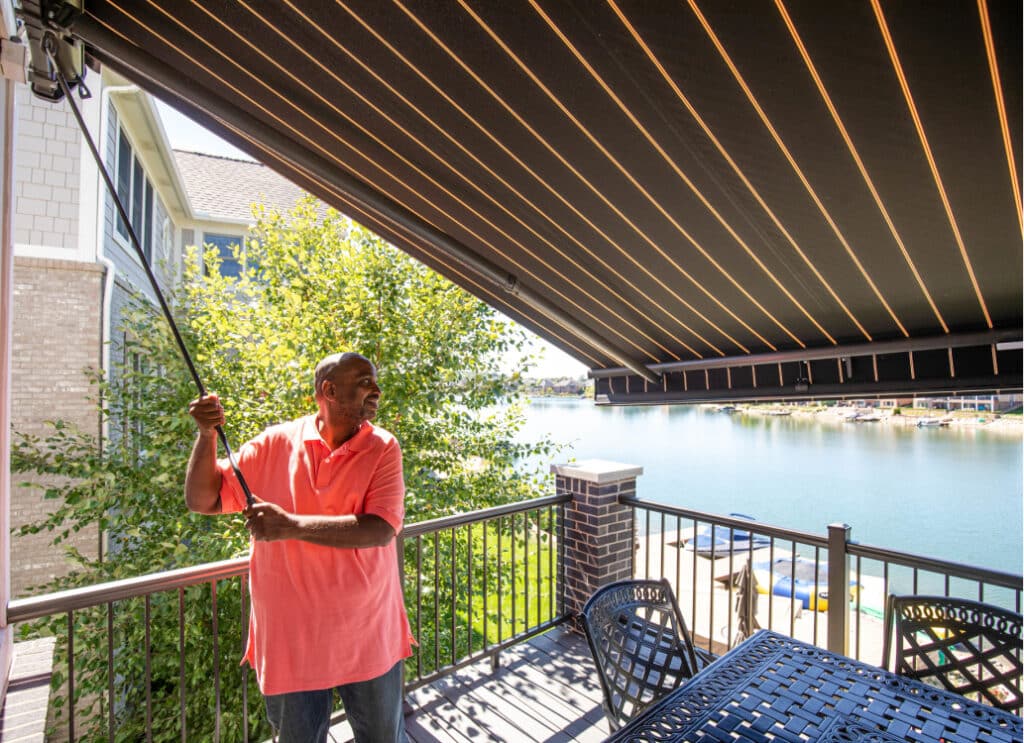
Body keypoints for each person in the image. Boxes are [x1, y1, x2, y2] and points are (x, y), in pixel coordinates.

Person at [185, 352, 411, 743]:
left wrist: (289, 525)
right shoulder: (274, 444)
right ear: (329, 390)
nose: (376, 391)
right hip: (292, 641)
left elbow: (380, 530)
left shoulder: (383, 448)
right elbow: (202, 500)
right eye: (364, 382)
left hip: (368, 632)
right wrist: (206, 435)